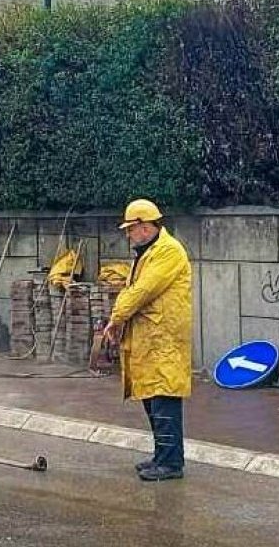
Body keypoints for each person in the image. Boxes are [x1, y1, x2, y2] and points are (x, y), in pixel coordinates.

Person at [103, 199, 192, 482]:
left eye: (131, 229)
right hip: (152, 339)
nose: (128, 235)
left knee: (164, 397)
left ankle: (170, 463)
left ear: (144, 226)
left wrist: (116, 318)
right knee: (153, 398)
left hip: (163, 339)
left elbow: (141, 291)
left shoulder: (167, 252)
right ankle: (162, 456)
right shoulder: (149, 252)